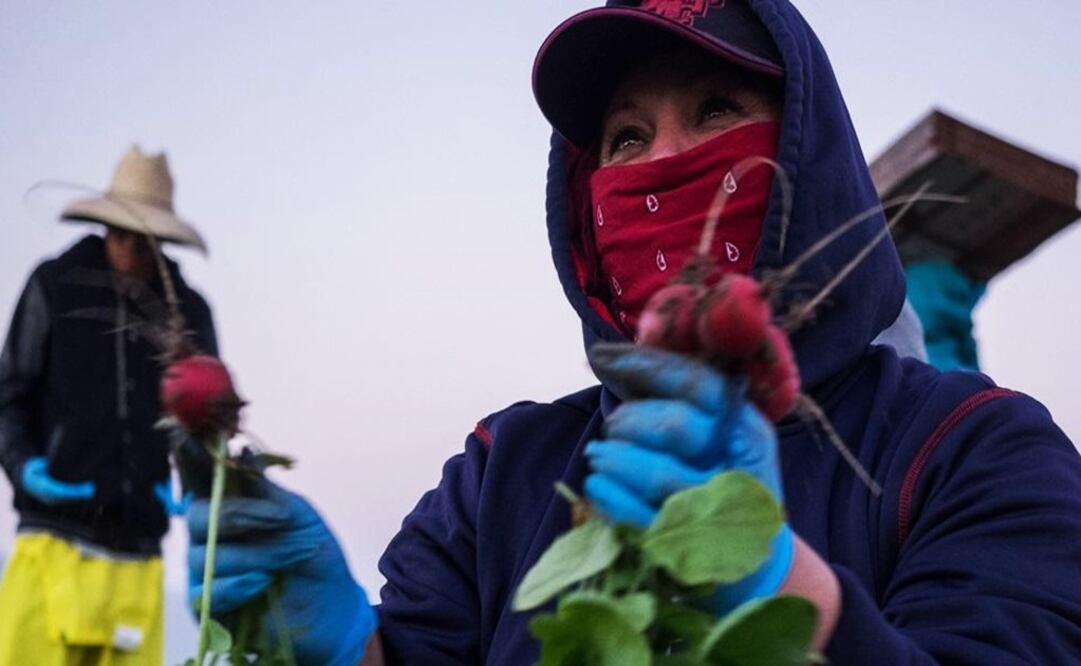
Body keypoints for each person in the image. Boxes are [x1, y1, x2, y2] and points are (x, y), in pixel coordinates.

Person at [185, 1, 1081, 664]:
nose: (660, 166)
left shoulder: (973, 445)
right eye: (622, 137)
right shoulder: (504, 469)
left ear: (809, 152)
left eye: (715, 111)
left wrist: (780, 594)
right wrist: (338, 646)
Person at [0, 146, 218, 665]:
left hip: (137, 552)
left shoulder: (187, 312)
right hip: (53, 543)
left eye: (141, 240)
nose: (127, 248)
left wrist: (195, 481)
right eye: (117, 233)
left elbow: (204, 424)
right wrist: (23, 466)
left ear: (159, 240)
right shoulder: (55, 286)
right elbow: (8, 394)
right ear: (104, 227)